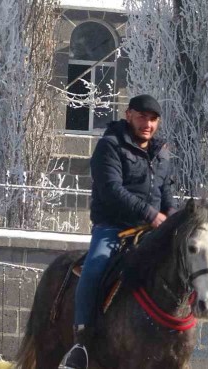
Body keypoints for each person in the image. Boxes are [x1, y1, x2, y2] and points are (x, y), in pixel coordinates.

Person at [59, 94, 176, 369]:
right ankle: (81, 341)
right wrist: (151, 214)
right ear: (128, 115)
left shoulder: (161, 152)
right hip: (113, 228)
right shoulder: (109, 146)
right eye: (142, 117)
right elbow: (112, 190)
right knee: (94, 267)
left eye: (153, 119)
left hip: (152, 231)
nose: (147, 124)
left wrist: (172, 217)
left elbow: (166, 192)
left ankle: (179, 335)